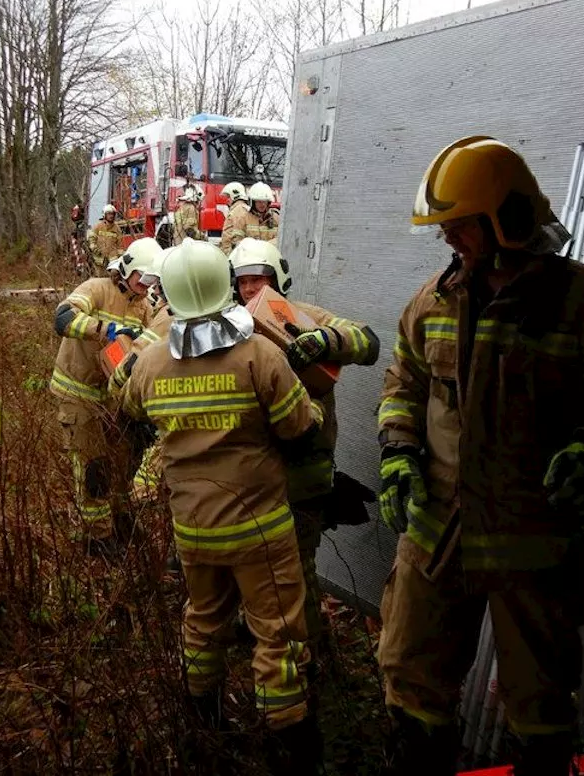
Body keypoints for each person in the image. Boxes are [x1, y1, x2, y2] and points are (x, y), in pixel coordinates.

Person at [376, 136, 584, 775]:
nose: (450, 241)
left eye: (460, 227)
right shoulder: (432, 301)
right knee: (411, 678)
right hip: (436, 536)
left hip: (531, 543)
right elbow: (403, 386)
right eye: (445, 230)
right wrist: (398, 451)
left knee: (539, 706)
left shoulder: (583, 300)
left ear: (505, 220)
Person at [114, 239, 325, 772]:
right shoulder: (260, 355)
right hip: (260, 528)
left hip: (194, 530)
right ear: (225, 286)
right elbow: (299, 428)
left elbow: (129, 407)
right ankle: (290, 746)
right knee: (277, 631)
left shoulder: (153, 364)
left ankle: (203, 726)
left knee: (203, 621)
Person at [228, 238, 379, 648]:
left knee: (295, 567)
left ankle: (309, 651)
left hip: (305, 472)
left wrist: (327, 342)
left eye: (258, 280)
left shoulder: (304, 317)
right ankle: (265, 634)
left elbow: (368, 342)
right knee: (254, 564)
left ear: (277, 279)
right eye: (242, 282)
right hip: (256, 472)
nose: (249, 290)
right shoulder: (231, 331)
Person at [51, 237, 162, 550]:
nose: (147, 284)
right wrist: (106, 331)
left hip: (112, 398)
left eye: (154, 280)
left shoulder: (145, 308)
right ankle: (96, 537)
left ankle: (120, 521)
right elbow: (63, 318)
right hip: (78, 395)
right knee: (93, 468)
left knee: (124, 461)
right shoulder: (96, 288)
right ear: (127, 269)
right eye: (144, 277)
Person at [87, 203, 124, 276]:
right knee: (99, 279)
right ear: (104, 215)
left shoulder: (117, 229)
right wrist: (94, 249)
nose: (111, 216)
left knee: (111, 278)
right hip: (99, 259)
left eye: (113, 214)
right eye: (109, 214)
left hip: (112, 260)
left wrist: (120, 257)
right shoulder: (98, 226)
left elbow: (120, 245)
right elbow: (91, 239)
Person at [218, 181, 253, 254]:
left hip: (231, 253)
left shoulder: (238, 210)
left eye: (228, 197)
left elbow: (235, 235)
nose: (227, 200)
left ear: (234, 195)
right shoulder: (242, 209)